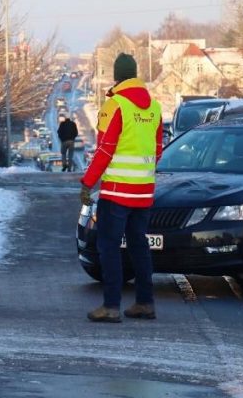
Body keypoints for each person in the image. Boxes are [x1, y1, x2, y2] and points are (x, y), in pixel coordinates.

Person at [80, 53, 163, 323]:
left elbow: (104, 149)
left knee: (109, 246)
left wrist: (87, 182)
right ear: (135, 74)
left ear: (117, 76)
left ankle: (111, 306)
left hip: (117, 192)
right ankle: (145, 302)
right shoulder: (155, 108)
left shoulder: (115, 105)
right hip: (144, 191)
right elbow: (158, 150)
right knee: (139, 245)